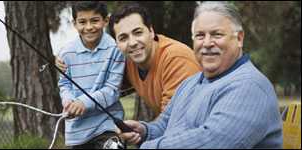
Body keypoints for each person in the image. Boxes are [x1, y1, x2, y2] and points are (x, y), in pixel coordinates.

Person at [117, 1, 283, 148]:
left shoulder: (249, 87)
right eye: (200, 35)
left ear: (239, 38)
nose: (207, 43)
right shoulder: (191, 83)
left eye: (217, 34)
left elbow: (212, 141)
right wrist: (144, 131)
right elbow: (164, 126)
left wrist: (150, 147)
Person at [58, 3, 201, 118]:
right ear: (117, 43)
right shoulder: (129, 61)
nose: (132, 43)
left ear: (151, 31)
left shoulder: (176, 59)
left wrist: (145, 132)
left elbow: (172, 122)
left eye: (137, 32)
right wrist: (65, 63)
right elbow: (105, 84)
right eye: (123, 38)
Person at [57, 1, 125, 148]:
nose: (89, 27)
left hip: (107, 126)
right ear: (74, 23)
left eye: (94, 21)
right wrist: (68, 101)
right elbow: (64, 84)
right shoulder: (66, 53)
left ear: (105, 20)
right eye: (82, 22)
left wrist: (83, 103)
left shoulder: (115, 49)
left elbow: (112, 90)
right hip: (77, 132)